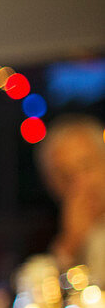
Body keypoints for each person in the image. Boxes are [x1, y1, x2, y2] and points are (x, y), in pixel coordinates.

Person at [36, 115, 105, 278]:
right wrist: (71, 244)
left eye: (87, 167)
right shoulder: (45, 230)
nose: (80, 184)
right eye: (65, 176)